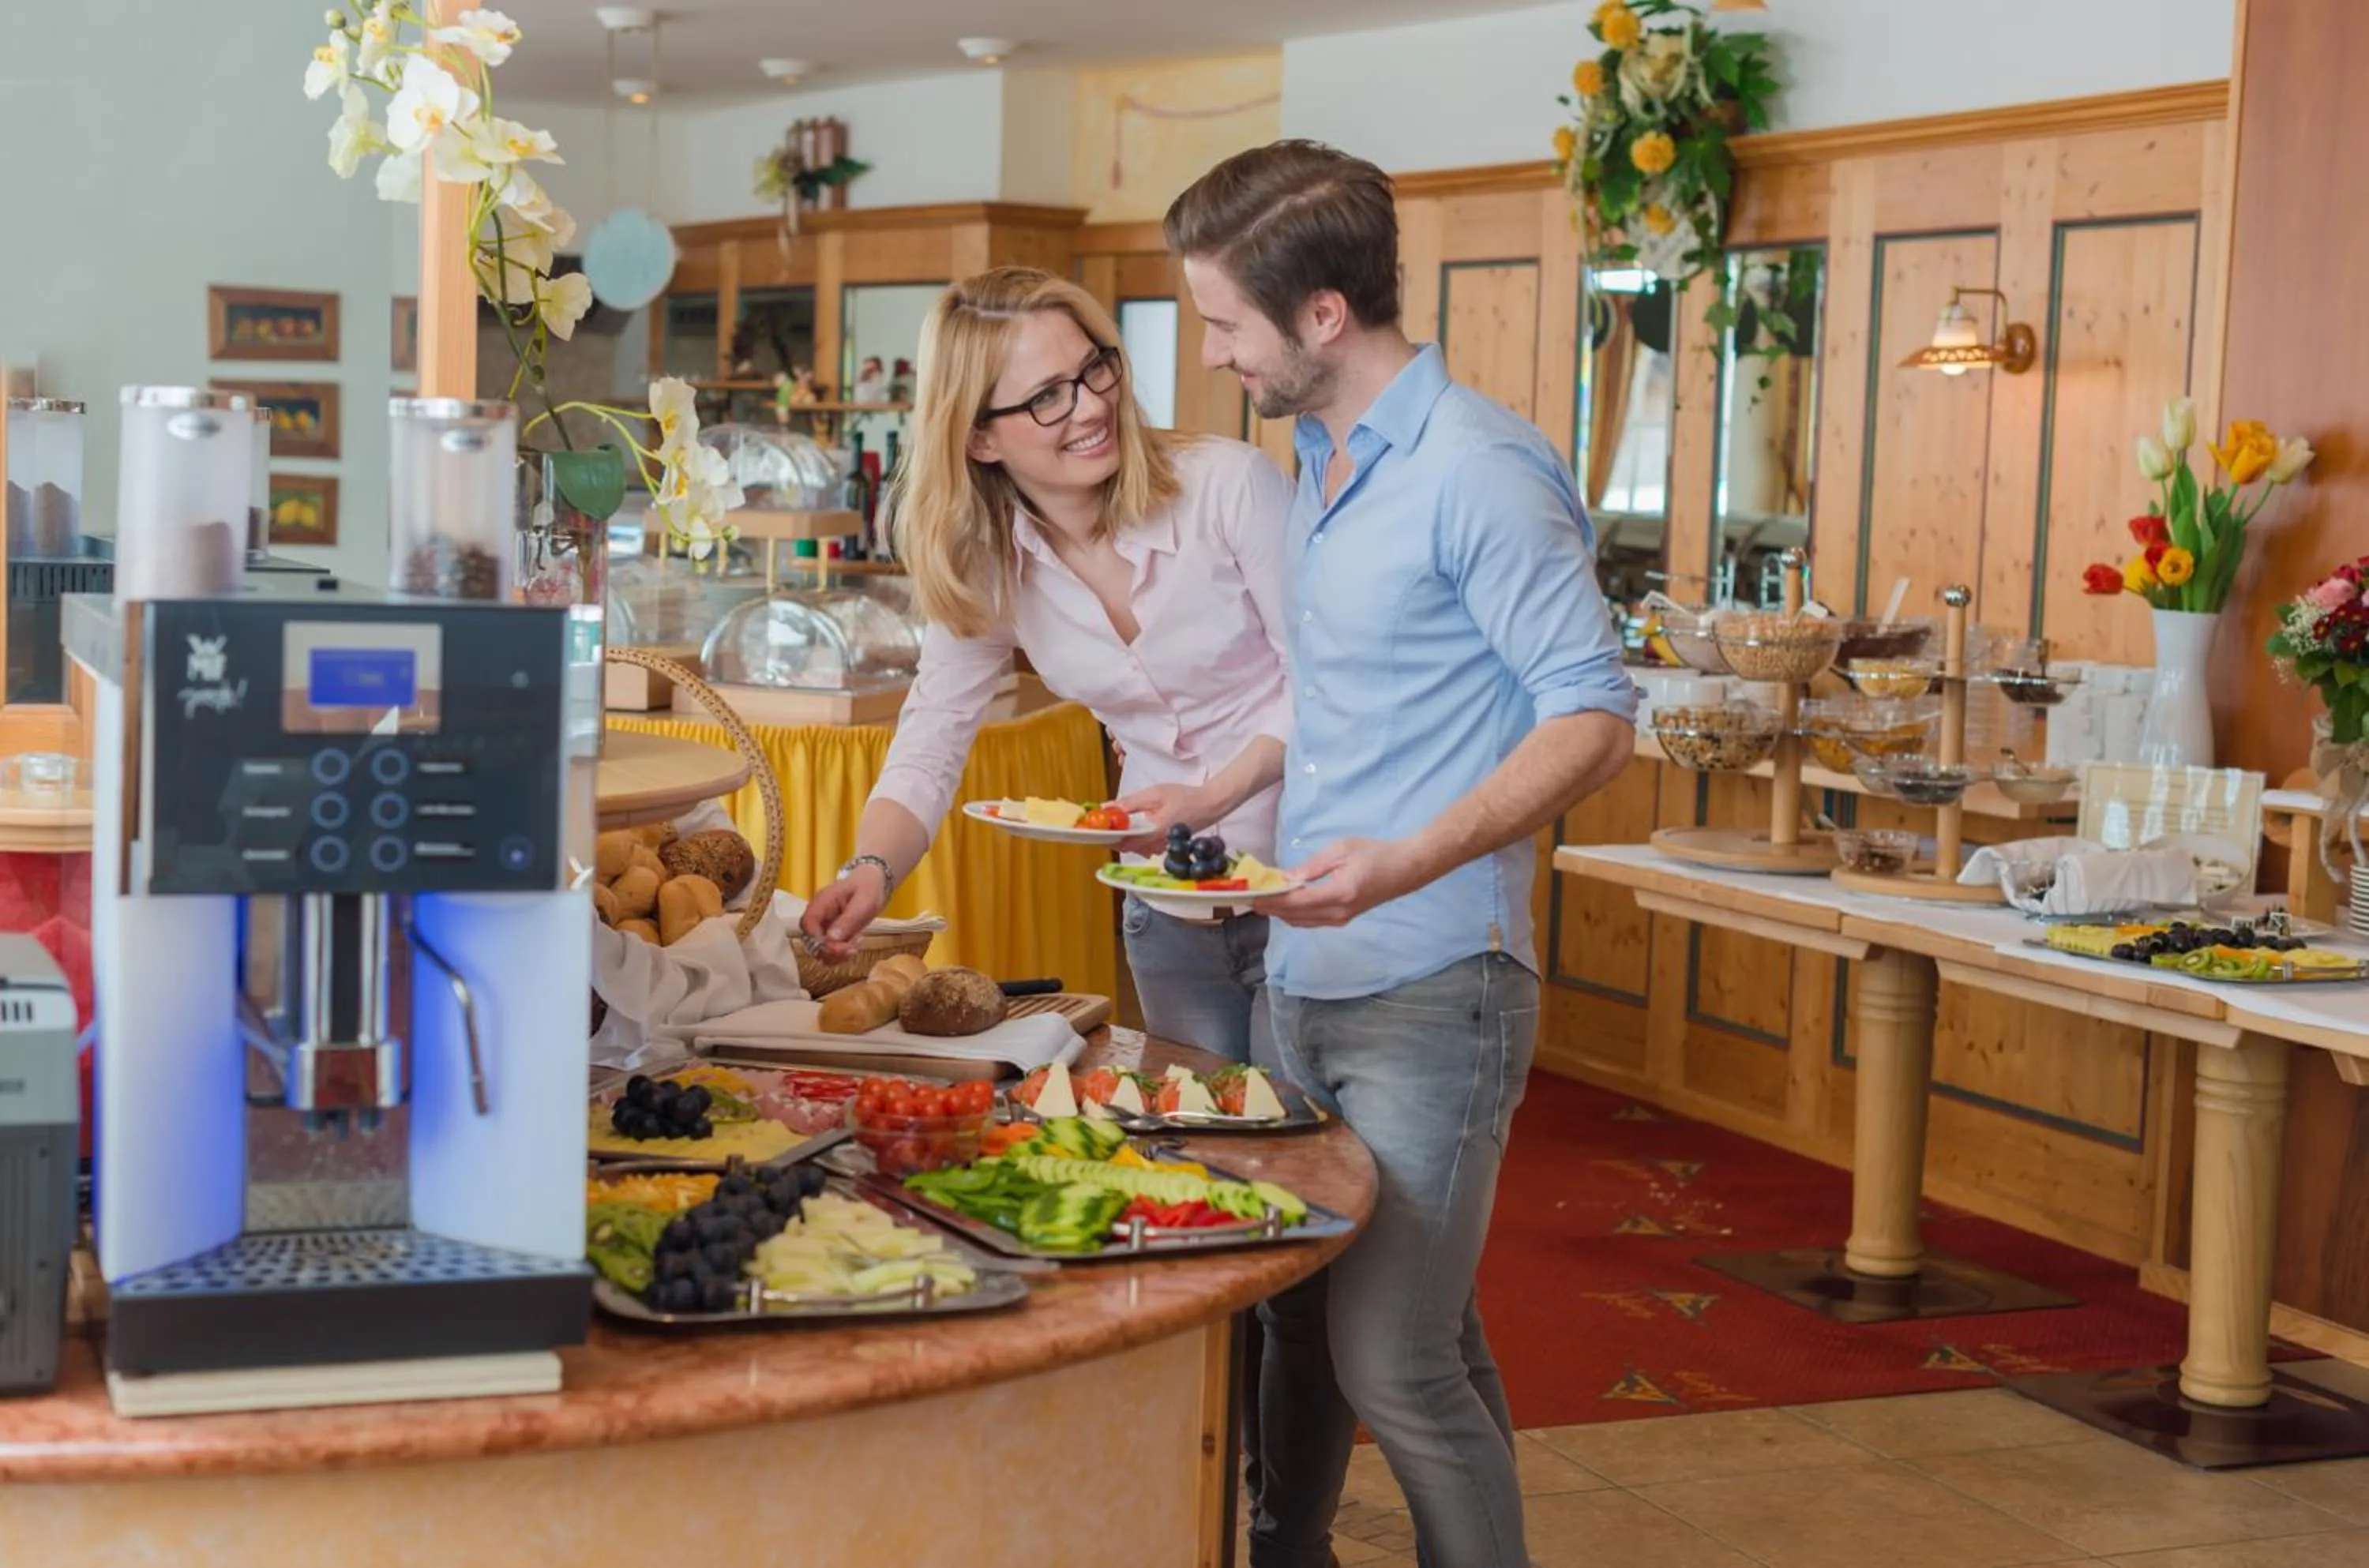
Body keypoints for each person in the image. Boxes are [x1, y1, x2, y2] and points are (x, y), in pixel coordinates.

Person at [1166, 141, 1639, 1568]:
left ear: (1320, 316)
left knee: (1397, 1364)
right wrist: (1235, 777)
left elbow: (1596, 713)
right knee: (1328, 1322)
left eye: (1223, 324)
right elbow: (1357, 697)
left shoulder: (1479, 471)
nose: (1209, 353)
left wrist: (1409, 860)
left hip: (1437, 983)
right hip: (1300, 975)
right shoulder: (1318, 459)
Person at [800, 266, 1294, 1073]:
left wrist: (1214, 796)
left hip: (1305, 889)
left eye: (1095, 368)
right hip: (1166, 907)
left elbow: (1328, 683)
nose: (1093, 405)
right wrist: (872, 869)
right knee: (1203, 1157)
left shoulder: (1229, 487)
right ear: (979, 436)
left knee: (1300, 1158)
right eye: (1047, 396)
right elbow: (934, 732)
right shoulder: (986, 562)